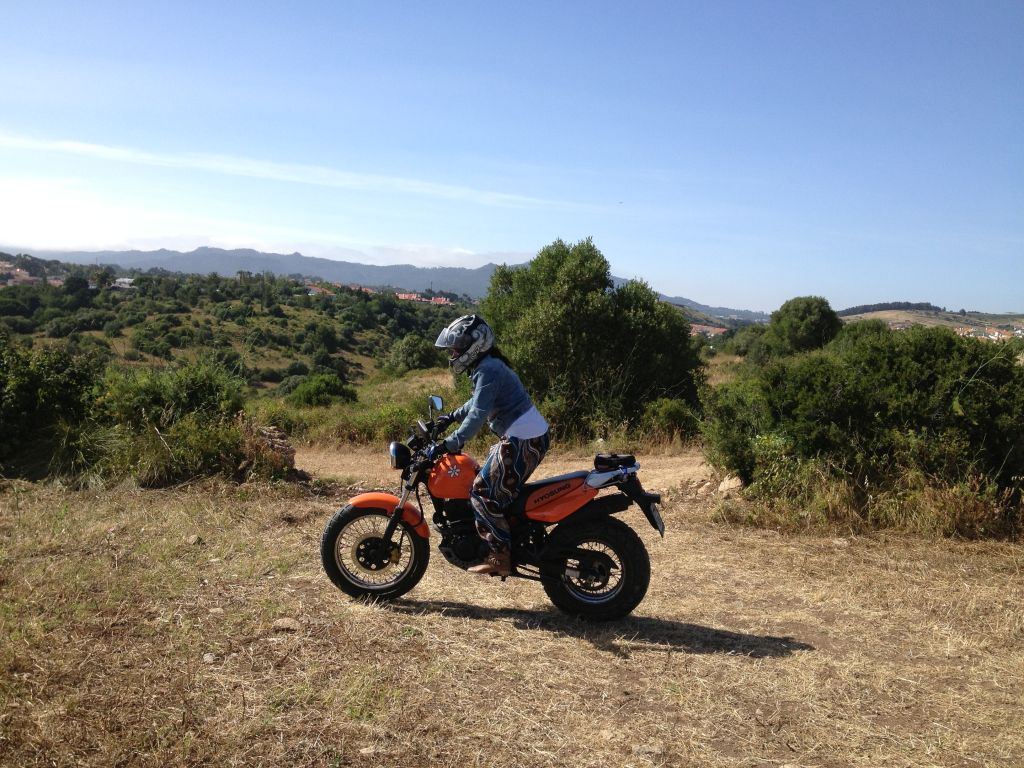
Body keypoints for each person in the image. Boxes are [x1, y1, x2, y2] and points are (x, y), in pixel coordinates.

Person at [432, 314, 549, 576]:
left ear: (476, 343)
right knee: (495, 489)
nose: (453, 352)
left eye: (458, 346)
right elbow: (476, 403)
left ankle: (500, 556)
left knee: (482, 492)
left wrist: (452, 443)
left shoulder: (489, 369)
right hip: (524, 436)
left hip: (524, 439)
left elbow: (478, 414)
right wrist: (449, 417)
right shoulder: (487, 367)